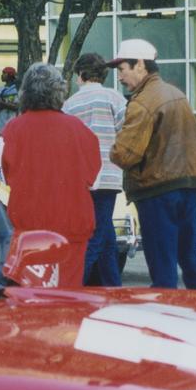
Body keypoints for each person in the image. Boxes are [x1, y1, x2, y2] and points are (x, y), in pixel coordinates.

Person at [108, 39, 196, 290]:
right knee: (190, 257)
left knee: (162, 266)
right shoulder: (176, 94)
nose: (119, 77)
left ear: (140, 65)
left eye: (122, 69)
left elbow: (124, 155)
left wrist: (112, 148)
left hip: (157, 190)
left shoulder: (143, 102)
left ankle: (165, 311)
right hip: (188, 185)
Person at [0, 63, 100, 288]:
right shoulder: (79, 128)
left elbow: (4, 173)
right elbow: (93, 176)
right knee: (68, 293)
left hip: (30, 227)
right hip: (72, 224)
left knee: (33, 293)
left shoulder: (12, 129)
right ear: (59, 92)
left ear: (25, 92)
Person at [62, 53, 128, 286]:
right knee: (101, 233)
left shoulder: (69, 104)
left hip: (82, 177)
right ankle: (100, 285)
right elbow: (126, 132)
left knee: (101, 234)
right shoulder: (115, 98)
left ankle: (98, 284)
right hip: (109, 175)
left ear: (81, 74)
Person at [0, 66, 19, 133]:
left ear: (10, 75)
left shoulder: (16, 89)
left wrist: (2, 103)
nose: (2, 75)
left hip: (13, 121)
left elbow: (17, 107)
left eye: (4, 73)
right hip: (1, 122)